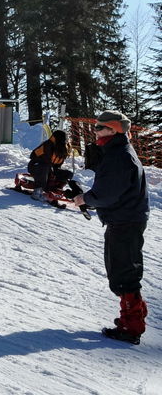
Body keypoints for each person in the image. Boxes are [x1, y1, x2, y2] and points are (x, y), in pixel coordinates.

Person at [72, 111, 149, 344]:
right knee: (125, 269)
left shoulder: (119, 155)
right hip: (126, 217)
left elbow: (108, 193)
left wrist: (86, 198)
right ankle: (134, 315)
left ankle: (131, 326)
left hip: (125, 220)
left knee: (123, 272)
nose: (95, 131)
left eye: (99, 127)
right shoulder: (118, 151)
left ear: (113, 129)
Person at [27, 130, 72, 201]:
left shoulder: (64, 149)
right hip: (36, 166)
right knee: (45, 166)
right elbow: (32, 155)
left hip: (50, 169)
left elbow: (58, 164)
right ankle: (37, 191)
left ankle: (56, 189)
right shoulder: (47, 145)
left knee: (68, 173)